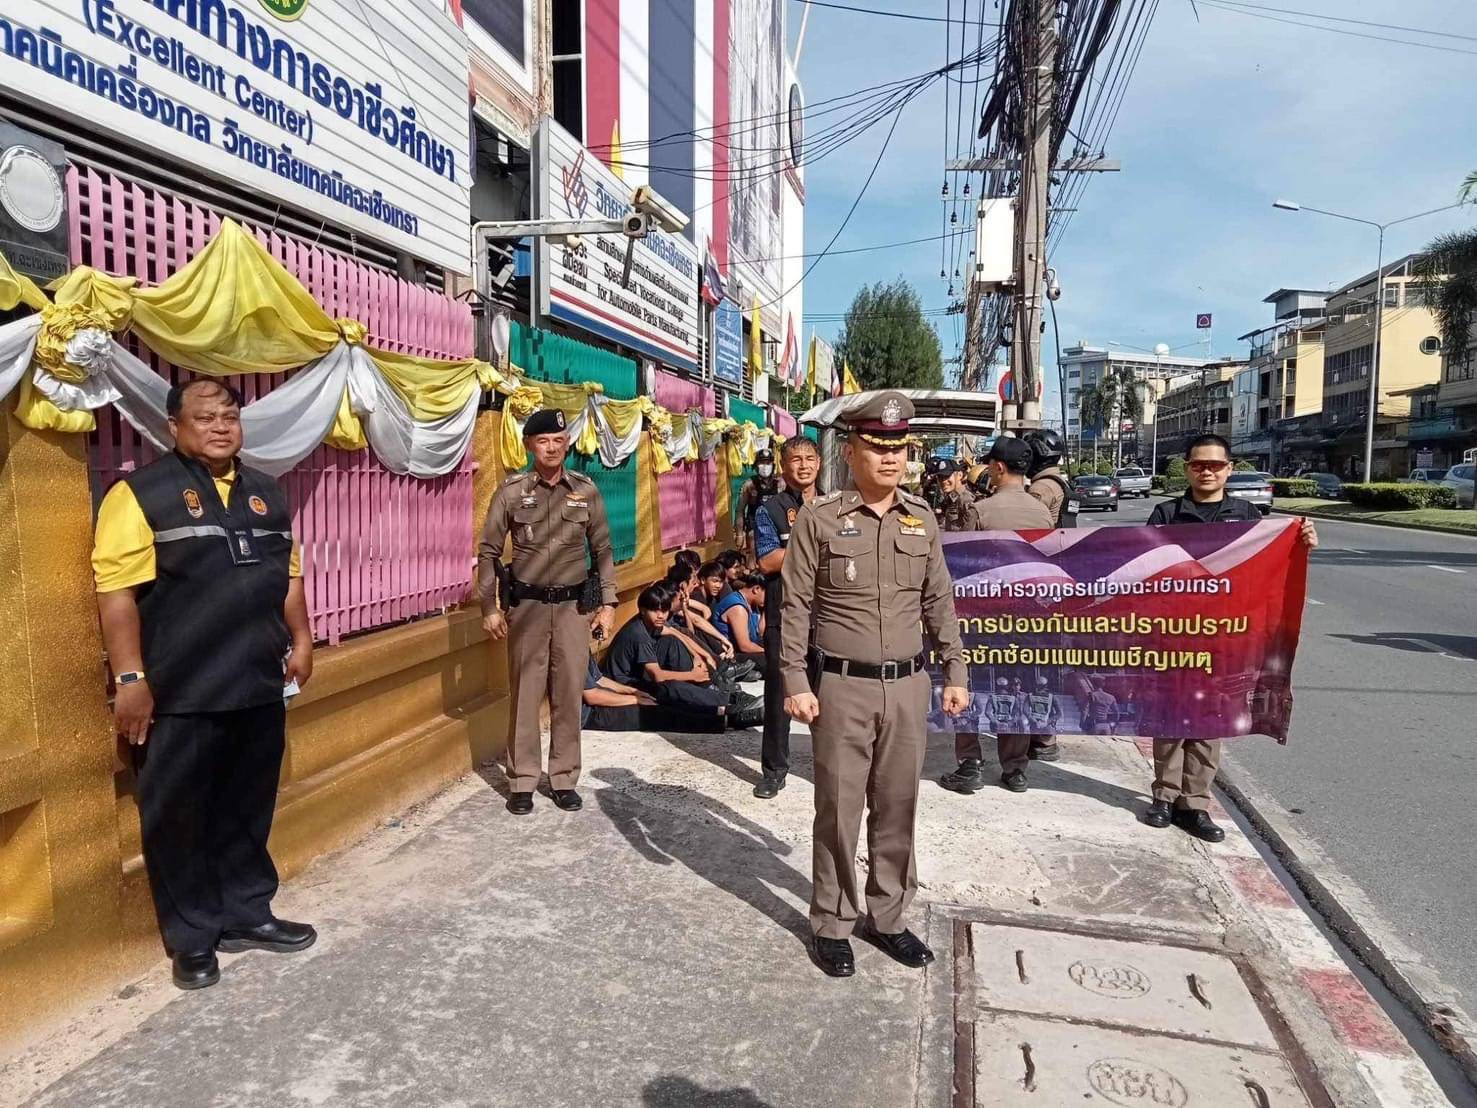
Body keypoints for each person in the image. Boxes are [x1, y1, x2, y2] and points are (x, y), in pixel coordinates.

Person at [92, 379, 316, 991]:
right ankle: (193, 937)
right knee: (178, 814)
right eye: (205, 417)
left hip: (257, 683)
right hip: (181, 691)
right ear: (173, 427)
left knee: (248, 805)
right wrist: (130, 678)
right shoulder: (140, 495)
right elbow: (116, 593)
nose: (220, 426)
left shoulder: (267, 491)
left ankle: (247, 912)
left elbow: (288, 575)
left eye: (229, 416)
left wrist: (302, 639)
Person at [781, 390, 969, 978]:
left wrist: (955, 670)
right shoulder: (820, 519)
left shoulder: (922, 518)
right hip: (842, 687)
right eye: (877, 447)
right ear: (851, 451)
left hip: (908, 686)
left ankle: (887, 917)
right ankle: (833, 922)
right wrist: (794, 678)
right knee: (838, 808)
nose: (890, 458)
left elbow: (939, 600)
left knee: (898, 805)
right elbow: (795, 605)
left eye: (898, 448)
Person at [1143, 433, 1318, 843]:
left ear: (1229, 469)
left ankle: (1194, 804)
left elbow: (1269, 569)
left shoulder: (1246, 517)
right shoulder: (1166, 514)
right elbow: (1144, 570)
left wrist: (1303, 544)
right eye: (1198, 465)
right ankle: (1164, 797)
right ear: (1187, 469)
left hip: (1224, 637)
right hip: (1176, 635)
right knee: (1170, 716)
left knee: (1209, 719)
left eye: (1215, 465)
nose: (1207, 472)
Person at [478, 408, 618, 816]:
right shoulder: (511, 491)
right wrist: (488, 606)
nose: (552, 447)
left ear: (567, 443)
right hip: (528, 610)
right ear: (529, 445)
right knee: (525, 695)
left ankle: (563, 778)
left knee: (569, 694)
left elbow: (603, 549)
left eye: (558, 440)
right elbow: (488, 552)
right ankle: (522, 780)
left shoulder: (585, 491)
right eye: (543, 441)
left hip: (574, 609)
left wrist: (609, 604)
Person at [939, 438, 1053, 795]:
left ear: (999, 467)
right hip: (1027, 619)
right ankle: (1015, 768)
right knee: (1017, 686)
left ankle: (969, 762)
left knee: (969, 684)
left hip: (981, 617)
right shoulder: (1042, 513)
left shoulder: (982, 511)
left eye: (990, 464)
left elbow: (961, 561)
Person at [752, 435, 824, 799]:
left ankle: (830, 767)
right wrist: (816, 544)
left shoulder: (836, 505)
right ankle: (774, 770)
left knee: (831, 694)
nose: (804, 465)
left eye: (810, 458)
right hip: (784, 612)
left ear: (819, 463)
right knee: (780, 693)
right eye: (796, 459)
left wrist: (792, 548)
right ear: (784, 466)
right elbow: (768, 561)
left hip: (829, 614)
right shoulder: (770, 509)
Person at [605, 583, 763, 727]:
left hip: (640, 675)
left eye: (664, 611)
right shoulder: (639, 634)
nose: (661, 616)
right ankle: (728, 703)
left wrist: (698, 656)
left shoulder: (651, 623)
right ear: (642, 610)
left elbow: (675, 633)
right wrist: (692, 675)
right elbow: (658, 676)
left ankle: (721, 693)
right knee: (672, 688)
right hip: (625, 684)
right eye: (655, 611)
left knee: (673, 641)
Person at [1020, 427, 1078, 765]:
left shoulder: (1041, 489)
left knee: (1034, 662)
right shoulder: (1062, 484)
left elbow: (1028, 534)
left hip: (1039, 587)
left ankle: (1041, 735)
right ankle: (1045, 734)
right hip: (1056, 584)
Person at [581, 653, 727, 734]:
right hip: (590, 715)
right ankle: (720, 722)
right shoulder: (572, 648)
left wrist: (633, 692)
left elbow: (599, 679)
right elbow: (592, 696)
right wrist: (635, 699)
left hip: (601, 699)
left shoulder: (581, 641)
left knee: (661, 699)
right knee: (656, 714)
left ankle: (719, 711)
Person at [713, 572, 768, 672]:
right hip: (731, 655)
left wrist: (766, 609)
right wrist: (770, 653)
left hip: (747, 648)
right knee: (772, 660)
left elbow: (760, 633)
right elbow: (744, 646)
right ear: (756, 589)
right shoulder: (738, 607)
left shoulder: (753, 604)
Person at [734, 449, 780, 558]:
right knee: (753, 559)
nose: (765, 466)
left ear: (773, 465)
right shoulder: (749, 485)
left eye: (768, 463)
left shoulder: (780, 483)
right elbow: (740, 510)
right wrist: (739, 534)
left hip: (775, 528)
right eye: (762, 463)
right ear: (756, 465)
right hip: (754, 529)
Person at [932, 457, 983, 532]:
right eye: (940, 477)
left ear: (959, 475)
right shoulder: (950, 498)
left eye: (947, 476)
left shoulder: (966, 499)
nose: (943, 481)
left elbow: (970, 532)